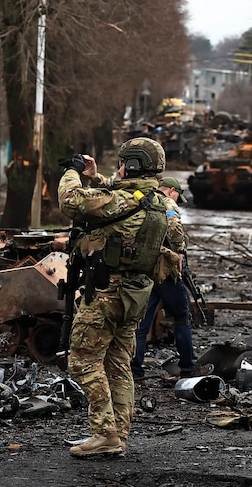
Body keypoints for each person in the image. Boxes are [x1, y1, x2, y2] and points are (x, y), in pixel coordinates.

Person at [58, 137, 170, 458]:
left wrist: (74, 173)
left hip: (107, 294)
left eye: (122, 163)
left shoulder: (125, 200)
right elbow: (121, 195)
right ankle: (118, 435)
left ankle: (104, 432)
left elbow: (71, 201)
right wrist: (97, 177)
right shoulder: (155, 199)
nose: (118, 169)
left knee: (82, 360)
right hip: (134, 296)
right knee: (118, 362)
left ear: (132, 165)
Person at [131, 177, 212, 380]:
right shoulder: (166, 203)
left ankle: (135, 370)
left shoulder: (142, 201)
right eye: (177, 195)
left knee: (141, 324)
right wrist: (181, 252)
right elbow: (175, 226)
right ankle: (187, 368)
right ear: (171, 191)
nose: (177, 200)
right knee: (182, 318)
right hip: (167, 272)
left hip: (144, 271)